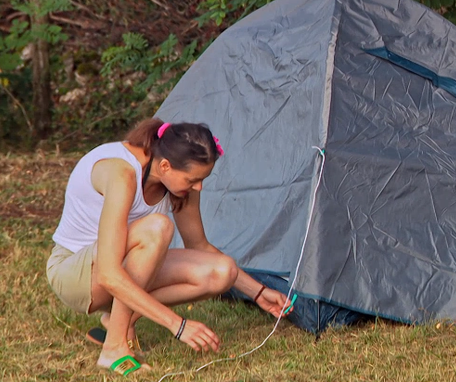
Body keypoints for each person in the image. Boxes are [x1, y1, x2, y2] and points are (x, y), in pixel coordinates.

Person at [46, 119, 290, 375]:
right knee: (157, 229)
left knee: (222, 271)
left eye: (202, 179)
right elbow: (108, 273)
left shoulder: (178, 180)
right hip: (76, 274)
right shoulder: (121, 173)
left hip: (120, 267)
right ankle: (114, 347)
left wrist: (259, 292)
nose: (199, 187)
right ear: (165, 166)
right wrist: (178, 325)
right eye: (193, 179)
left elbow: (199, 247)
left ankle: (119, 319)